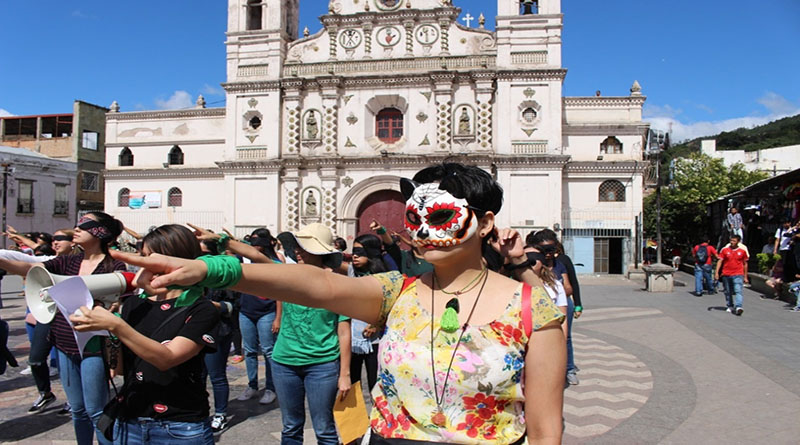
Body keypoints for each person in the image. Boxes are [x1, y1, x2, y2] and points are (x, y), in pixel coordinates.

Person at [111, 163, 567, 445]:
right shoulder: (395, 291)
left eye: (442, 216)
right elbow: (313, 284)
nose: (425, 231)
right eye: (415, 218)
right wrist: (214, 269)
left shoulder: (533, 308)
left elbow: (546, 431)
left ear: (486, 222)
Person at [70, 224, 219, 444]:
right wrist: (106, 330)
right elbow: (118, 369)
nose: (143, 265)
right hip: (131, 419)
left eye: (150, 258)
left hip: (179, 426)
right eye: (142, 257)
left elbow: (166, 358)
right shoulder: (132, 305)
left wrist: (118, 327)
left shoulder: (201, 309)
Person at [0, 213, 126, 445]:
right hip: (65, 342)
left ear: (101, 232)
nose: (76, 229)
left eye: (85, 224)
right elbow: (29, 268)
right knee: (78, 410)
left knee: (95, 410)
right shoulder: (66, 262)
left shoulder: (114, 265)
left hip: (94, 345)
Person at [189, 225, 283, 407]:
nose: (254, 246)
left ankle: (271, 388)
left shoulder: (275, 263)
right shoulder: (243, 261)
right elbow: (229, 257)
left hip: (266, 312)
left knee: (268, 350)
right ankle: (252, 385)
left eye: (257, 241)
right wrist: (220, 241)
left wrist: (278, 317)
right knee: (249, 350)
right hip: (247, 311)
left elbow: (280, 293)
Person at [527, 229, 579, 386]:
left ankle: (568, 369)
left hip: (556, 313)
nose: (548, 254)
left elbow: (572, 286)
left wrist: (578, 304)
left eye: (551, 249)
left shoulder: (560, 267)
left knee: (565, 339)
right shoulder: (518, 278)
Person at [348, 234, 394, 395]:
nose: (355, 256)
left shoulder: (383, 277)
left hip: (375, 339)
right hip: (353, 336)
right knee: (353, 380)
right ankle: (356, 418)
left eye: (359, 252)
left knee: (376, 380)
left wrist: (376, 323)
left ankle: (377, 413)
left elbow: (389, 304)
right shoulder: (351, 271)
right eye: (353, 251)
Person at [715, 234, 749, 316]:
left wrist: (745, 276)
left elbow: (745, 264)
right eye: (731, 240)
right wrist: (716, 273)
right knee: (727, 291)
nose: (732, 242)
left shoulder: (742, 251)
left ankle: (739, 307)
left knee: (738, 290)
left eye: (734, 241)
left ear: (738, 242)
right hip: (726, 274)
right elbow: (720, 261)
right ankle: (730, 305)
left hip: (738, 274)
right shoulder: (725, 250)